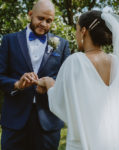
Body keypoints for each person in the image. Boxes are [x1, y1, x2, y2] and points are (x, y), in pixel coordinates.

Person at [35, 10, 119, 150]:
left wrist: (47, 82)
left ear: (83, 31)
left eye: (76, 30)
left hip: (85, 143)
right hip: (113, 142)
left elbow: (59, 104)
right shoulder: (115, 62)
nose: (76, 34)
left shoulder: (75, 61)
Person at [0, 0, 70, 149]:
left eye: (48, 20)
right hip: (14, 120)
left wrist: (50, 84)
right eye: (40, 18)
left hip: (48, 122)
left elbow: (67, 79)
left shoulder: (62, 44)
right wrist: (17, 85)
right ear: (30, 15)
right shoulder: (9, 40)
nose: (44, 24)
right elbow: (1, 75)